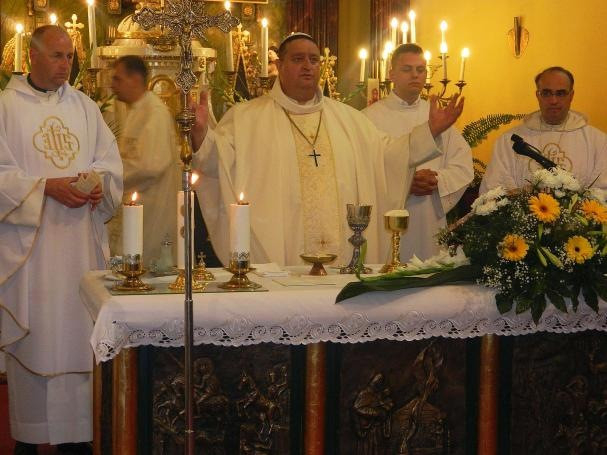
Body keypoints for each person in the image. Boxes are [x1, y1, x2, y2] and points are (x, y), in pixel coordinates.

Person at [190, 33, 464, 266]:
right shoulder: (246, 118)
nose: (307, 66)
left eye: (314, 60)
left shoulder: (349, 119)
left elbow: (388, 155)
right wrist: (201, 133)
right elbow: (218, 163)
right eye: (298, 59)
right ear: (280, 65)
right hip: (279, 254)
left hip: (343, 256)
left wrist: (431, 130)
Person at [0, 25, 122, 454]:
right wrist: (45, 188)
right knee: (38, 340)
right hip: (32, 255)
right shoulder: (5, 108)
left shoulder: (85, 107)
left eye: (69, 56)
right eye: (56, 55)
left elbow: (110, 165)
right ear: (31, 56)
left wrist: (99, 186)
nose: (65, 64)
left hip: (78, 251)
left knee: (77, 338)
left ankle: (78, 440)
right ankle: (30, 439)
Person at [364, 44, 473, 261]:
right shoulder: (368, 118)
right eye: (407, 69)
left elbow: (463, 165)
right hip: (386, 217)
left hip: (428, 214)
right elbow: (363, 169)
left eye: (421, 70)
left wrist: (437, 180)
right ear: (391, 74)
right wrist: (404, 181)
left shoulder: (438, 116)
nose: (415, 75)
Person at [481, 66, 607, 193]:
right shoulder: (508, 141)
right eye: (546, 93)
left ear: (571, 96)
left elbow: (602, 190)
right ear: (538, 95)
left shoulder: (598, 142)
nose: (553, 100)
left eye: (560, 93)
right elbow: (494, 189)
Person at [107, 55, 179, 266]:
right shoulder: (137, 110)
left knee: (146, 269)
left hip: (152, 211)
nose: (113, 85)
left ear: (135, 79)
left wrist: (109, 177)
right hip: (136, 206)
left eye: (118, 79)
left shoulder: (154, 113)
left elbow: (150, 165)